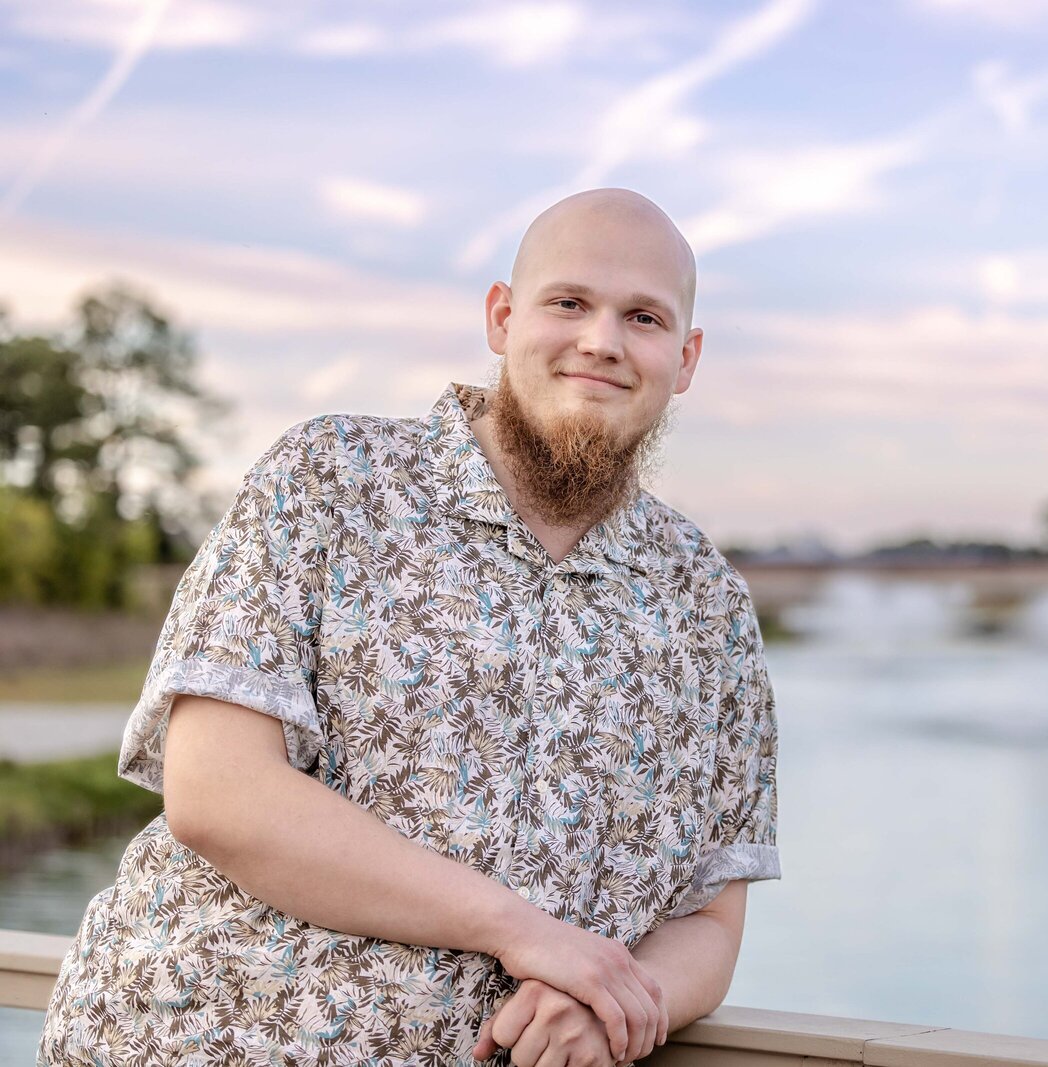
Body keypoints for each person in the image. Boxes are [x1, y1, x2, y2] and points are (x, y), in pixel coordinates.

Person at [35, 187, 782, 1067]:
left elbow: (710, 919)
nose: (601, 340)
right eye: (568, 302)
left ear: (685, 358)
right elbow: (216, 791)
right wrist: (524, 931)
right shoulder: (331, 478)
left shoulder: (708, 602)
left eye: (643, 317)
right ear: (502, 317)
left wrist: (618, 1002)